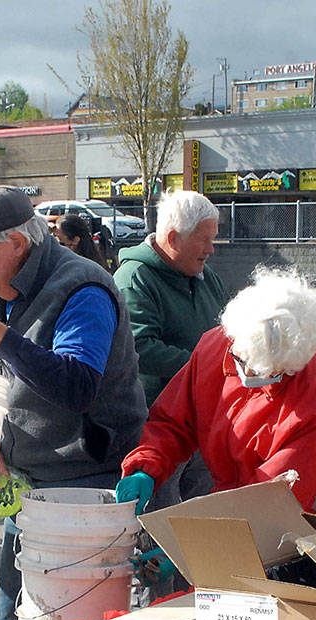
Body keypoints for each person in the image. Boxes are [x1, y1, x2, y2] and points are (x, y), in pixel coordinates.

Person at [0, 186, 146, 620]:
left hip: (84, 485)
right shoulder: (8, 293)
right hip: (31, 483)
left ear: (14, 242)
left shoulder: (82, 290)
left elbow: (76, 386)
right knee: (13, 615)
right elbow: (2, 384)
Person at [116, 268, 316, 524]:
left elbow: (272, 500)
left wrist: (198, 547)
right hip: (247, 505)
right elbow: (174, 422)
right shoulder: (214, 348)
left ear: (294, 364)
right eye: (242, 360)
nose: (247, 373)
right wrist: (146, 466)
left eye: (264, 371)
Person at [115, 189, 235, 517]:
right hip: (156, 424)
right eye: (204, 240)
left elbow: (228, 332)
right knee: (158, 524)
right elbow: (139, 347)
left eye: (213, 239)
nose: (211, 249)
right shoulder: (134, 278)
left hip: (204, 421)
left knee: (200, 521)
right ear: (173, 237)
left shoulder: (205, 276)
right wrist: (208, 367)